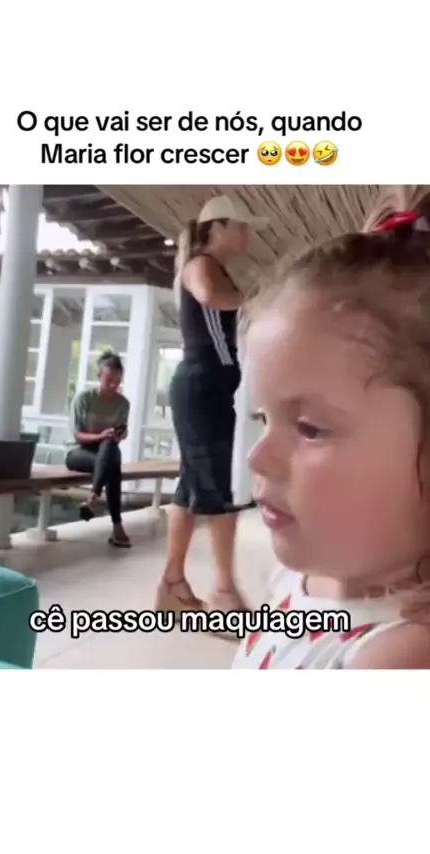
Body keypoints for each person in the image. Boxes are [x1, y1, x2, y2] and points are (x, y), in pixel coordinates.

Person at [233, 186, 430, 669]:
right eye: (263, 418)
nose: (257, 457)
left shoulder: (394, 658)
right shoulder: (298, 580)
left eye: (309, 428)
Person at [155, 194, 268, 617]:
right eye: (241, 226)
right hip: (201, 389)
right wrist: (253, 298)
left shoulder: (214, 267)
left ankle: (172, 584)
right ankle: (224, 594)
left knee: (190, 489)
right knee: (219, 491)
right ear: (218, 229)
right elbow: (206, 294)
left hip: (205, 391)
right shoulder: (201, 265)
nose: (247, 234)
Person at [66, 351, 131, 548]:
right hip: (78, 452)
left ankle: (93, 498)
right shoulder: (83, 399)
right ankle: (117, 526)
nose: (113, 385)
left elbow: (116, 436)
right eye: (109, 380)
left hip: (105, 450)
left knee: (110, 451)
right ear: (99, 377)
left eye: (117, 381)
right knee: (112, 464)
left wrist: (119, 435)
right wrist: (101, 436)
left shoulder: (123, 404)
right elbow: (77, 436)